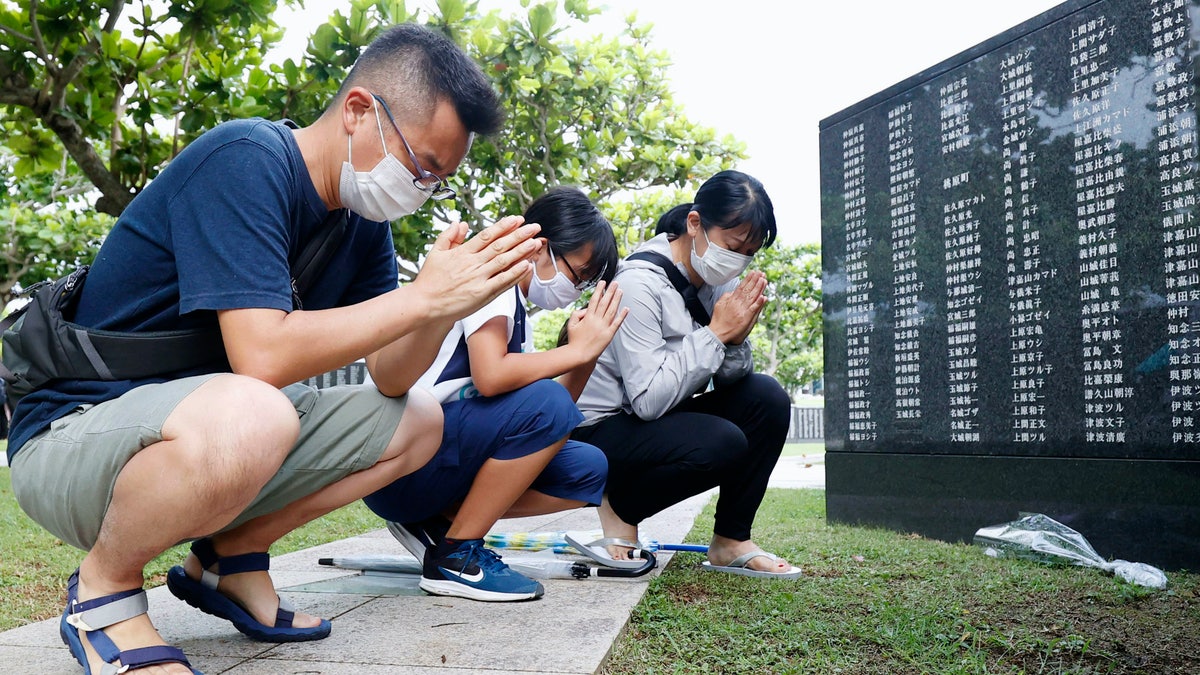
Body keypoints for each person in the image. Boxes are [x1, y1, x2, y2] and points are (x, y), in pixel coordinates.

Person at [5, 24, 542, 675]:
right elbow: (261, 355)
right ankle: (103, 595)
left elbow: (391, 379)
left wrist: (440, 306)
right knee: (260, 409)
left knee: (420, 420)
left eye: (438, 179)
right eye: (421, 164)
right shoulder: (246, 157)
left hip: (197, 433)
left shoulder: (361, 226)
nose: (421, 187)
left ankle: (234, 556)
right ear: (358, 111)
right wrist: (420, 300)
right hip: (71, 436)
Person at [363, 186, 627, 601]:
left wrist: (588, 353)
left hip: (428, 462)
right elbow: (490, 377)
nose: (577, 290)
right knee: (548, 404)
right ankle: (455, 555)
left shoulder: (515, 307)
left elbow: (547, 422)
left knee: (587, 469)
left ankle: (440, 523)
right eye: (579, 275)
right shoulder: (494, 279)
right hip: (400, 461)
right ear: (540, 247)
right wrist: (574, 351)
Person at [571, 170, 802, 579]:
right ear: (695, 224)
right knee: (722, 441)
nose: (738, 260)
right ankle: (620, 507)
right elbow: (647, 402)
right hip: (602, 429)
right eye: (733, 246)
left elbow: (729, 380)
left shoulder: (713, 282)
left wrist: (733, 340)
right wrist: (715, 334)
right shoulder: (638, 286)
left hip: (653, 418)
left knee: (766, 397)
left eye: (749, 253)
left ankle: (730, 541)